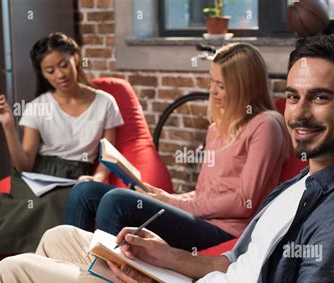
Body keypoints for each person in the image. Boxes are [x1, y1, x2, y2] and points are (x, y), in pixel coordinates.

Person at [0, 35, 334, 283]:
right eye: (293, 96)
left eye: (320, 98)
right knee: (56, 237)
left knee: (15, 272)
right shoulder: (305, 182)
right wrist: (167, 257)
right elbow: (234, 262)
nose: (300, 113)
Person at [63, 42, 290, 251]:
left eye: (221, 85)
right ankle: (76, 268)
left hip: (226, 231)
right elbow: (205, 193)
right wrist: (169, 197)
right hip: (201, 220)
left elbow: (243, 203)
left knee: (117, 201)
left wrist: (173, 204)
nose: (212, 91)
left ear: (245, 87)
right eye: (211, 81)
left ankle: (105, 280)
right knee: (85, 191)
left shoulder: (265, 125)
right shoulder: (217, 128)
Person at [0, 32, 123, 255]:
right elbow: (24, 165)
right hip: (40, 175)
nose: (60, 74)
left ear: (76, 58)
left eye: (64, 65)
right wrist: (8, 126)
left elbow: (109, 153)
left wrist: (97, 178)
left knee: (52, 204)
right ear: (42, 74)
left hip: (77, 176)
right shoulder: (38, 106)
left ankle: (42, 267)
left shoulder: (105, 102)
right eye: (50, 70)